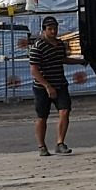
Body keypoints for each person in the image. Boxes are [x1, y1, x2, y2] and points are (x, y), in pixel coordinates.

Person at [31, 15, 74, 155]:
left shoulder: (60, 44)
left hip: (60, 83)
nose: (53, 31)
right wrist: (47, 86)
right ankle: (41, 146)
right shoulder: (38, 46)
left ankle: (60, 143)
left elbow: (62, 59)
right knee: (42, 116)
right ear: (44, 30)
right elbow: (34, 69)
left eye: (55, 28)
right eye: (50, 29)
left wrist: (80, 61)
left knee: (65, 110)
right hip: (42, 87)